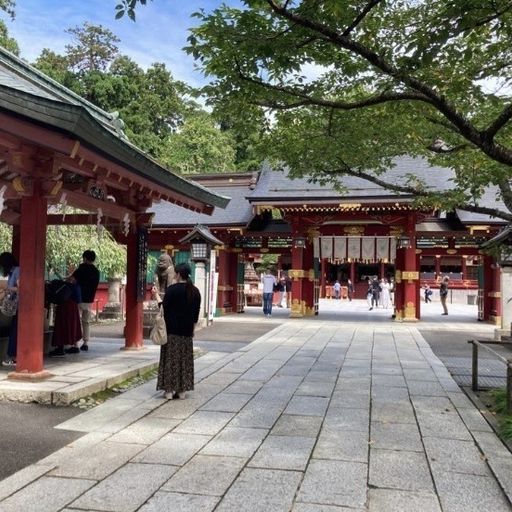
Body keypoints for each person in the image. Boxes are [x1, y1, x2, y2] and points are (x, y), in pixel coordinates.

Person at [157, 263, 201, 400]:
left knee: (170, 361)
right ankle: (182, 390)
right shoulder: (195, 291)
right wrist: (192, 330)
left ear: (178, 274)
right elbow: (195, 316)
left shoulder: (171, 290)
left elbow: (164, 309)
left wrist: (156, 296)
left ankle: (169, 391)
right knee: (184, 361)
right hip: (187, 332)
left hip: (172, 331)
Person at [70, 250, 100, 352]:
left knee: (76, 321)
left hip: (79, 299)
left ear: (85, 258)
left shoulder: (81, 269)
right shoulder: (96, 272)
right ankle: (86, 343)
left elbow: (72, 280)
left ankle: (75, 344)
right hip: (89, 300)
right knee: (86, 322)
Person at [48, 282, 82, 357]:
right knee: (72, 325)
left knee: (61, 326)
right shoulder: (75, 286)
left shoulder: (63, 285)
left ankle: (60, 348)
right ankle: (75, 346)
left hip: (65, 306)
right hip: (73, 306)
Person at [0, 252, 19, 366]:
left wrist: (7, 288)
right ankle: (12, 356)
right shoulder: (12, 272)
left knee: (15, 331)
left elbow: (20, 288)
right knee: (14, 330)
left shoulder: (17, 271)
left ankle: (13, 357)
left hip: (19, 305)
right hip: (15, 306)